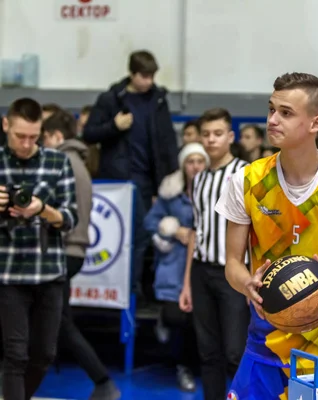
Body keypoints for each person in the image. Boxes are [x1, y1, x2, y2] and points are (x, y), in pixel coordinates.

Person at [215, 72, 318, 399]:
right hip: (266, 343)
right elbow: (233, 264)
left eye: (286, 113)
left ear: (315, 123)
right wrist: (245, 283)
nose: (272, 120)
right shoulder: (246, 181)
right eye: (271, 110)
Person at [83, 50, 179, 301]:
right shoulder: (111, 98)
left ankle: (133, 287)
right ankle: (128, 289)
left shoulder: (158, 100)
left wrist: (167, 181)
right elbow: (89, 133)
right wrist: (114, 126)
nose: (149, 81)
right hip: (119, 181)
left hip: (148, 180)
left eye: (152, 76)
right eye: (144, 76)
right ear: (132, 73)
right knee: (126, 235)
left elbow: (167, 141)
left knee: (142, 235)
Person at [0, 98, 78, 400]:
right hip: (8, 272)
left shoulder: (58, 162)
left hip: (49, 271)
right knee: (15, 355)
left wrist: (42, 209)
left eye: (34, 136)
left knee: (45, 354)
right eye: (20, 136)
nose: (26, 143)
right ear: (6, 124)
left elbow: (71, 218)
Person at [42, 111, 120, 400]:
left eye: (44, 138)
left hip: (60, 249)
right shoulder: (80, 163)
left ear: (56, 137)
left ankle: (102, 381)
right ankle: (102, 381)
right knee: (56, 319)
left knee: (58, 321)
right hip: (74, 249)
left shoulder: (61, 163)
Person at [178, 108, 250, 400]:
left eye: (217, 134)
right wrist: (186, 283)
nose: (211, 140)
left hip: (233, 273)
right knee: (208, 353)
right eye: (205, 134)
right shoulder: (200, 179)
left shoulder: (246, 174)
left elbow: (257, 231)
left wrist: (250, 279)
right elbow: (196, 231)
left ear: (230, 136)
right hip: (201, 270)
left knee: (236, 351)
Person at [144, 143, 209, 392]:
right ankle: (182, 365)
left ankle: (190, 366)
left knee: (196, 321)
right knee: (176, 317)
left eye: (199, 161)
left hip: (204, 266)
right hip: (174, 265)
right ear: (183, 165)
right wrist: (171, 228)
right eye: (190, 161)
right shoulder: (171, 193)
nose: (195, 166)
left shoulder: (216, 193)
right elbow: (150, 221)